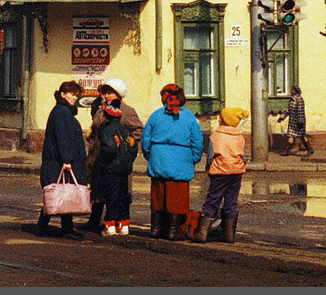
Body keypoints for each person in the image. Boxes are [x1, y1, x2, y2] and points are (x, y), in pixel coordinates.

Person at [141, 83, 203, 241]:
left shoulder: (155, 115)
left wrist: (151, 156)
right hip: (181, 162)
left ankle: (155, 229)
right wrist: (193, 159)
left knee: (158, 196)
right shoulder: (189, 117)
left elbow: (145, 139)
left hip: (158, 159)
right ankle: (173, 231)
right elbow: (197, 142)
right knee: (177, 198)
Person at [83, 78, 144, 233]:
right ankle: (94, 221)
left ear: (118, 93)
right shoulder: (101, 110)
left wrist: (124, 146)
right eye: (105, 93)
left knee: (117, 191)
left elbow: (138, 131)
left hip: (117, 160)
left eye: (109, 92)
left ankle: (118, 222)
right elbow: (96, 128)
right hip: (99, 157)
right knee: (98, 190)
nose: (106, 96)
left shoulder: (127, 111)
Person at [36, 80, 88, 238]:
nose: (75, 97)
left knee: (64, 193)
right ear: (63, 94)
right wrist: (66, 160)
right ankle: (46, 228)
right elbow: (63, 138)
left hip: (59, 161)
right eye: (72, 94)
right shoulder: (62, 112)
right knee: (57, 193)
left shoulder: (63, 111)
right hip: (59, 162)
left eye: (76, 95)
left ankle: (64, 228)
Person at [193, 106, 248, 244]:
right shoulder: (240, 137)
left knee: (213, 200)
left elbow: (210, 157)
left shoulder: (215, 136)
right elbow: (244, 157)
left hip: (220, 172)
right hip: (236, 172)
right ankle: (229, 235)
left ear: (223, 120)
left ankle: (202, 233)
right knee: (231, 201)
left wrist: (208, 169)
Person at [96, 100, 139, 236]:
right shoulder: (126, 131)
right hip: (124, 169)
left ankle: (110, 225)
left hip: (111, 169)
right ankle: (123, 224)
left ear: (106, 116)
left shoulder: (107, 130)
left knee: (111, 197)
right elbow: (133, 149)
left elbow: (109, 149)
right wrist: (126, 161)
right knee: (123, 196)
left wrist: (102, 162)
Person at [277, 84, 313, 156]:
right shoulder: (292, 99)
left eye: (293, 89)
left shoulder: (299, 99)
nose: (291, 91)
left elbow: (300, 111)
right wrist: (282, 117)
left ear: (296, 91)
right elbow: (288, 109)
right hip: (293, 121)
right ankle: (287, 151)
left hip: (298, 121)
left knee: (302, 136)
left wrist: (300, 122)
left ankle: (310, 149)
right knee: (291, 135)